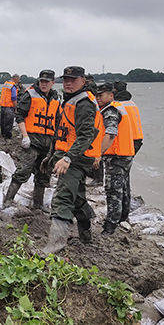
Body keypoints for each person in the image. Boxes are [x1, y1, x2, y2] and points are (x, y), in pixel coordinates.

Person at [41, 66, 103, 256]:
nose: (68, 83)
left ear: (83, 81)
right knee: (77, 199)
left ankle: (55, 246)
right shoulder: (71, 100)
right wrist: (52, 155)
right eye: (65, 79)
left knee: (62, 199)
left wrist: (67, 158)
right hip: (70, 156)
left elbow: (86, 136)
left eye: (73, 80)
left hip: (77, 159)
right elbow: (62, 131)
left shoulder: (84, 103)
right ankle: (86, 234)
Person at [3, 70, 59, 212]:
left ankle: (38, 206)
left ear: (53, 83)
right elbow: (20, 115)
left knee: (43, 174)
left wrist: (56, 143)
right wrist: (25, 136)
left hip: (48, 142)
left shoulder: (56, 98)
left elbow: (57, 120)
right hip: (32, 140)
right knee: (24, 171)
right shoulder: (30, 94)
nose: (44, 84)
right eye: (42, 81)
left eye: (47, 82)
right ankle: (8, 200)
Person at [94, 83, 135, 235]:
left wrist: (99, 153)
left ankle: (110, 226)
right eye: (97, 95)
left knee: (113, 191)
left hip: (116, 156)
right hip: (126, 153)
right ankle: (123, 218)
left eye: (101, 95)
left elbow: (111, 134)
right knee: (124, 188)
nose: (98, 98)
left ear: (111, 95)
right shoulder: (118, 107)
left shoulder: (111, 111)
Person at [0, 74, 19, 138]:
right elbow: (14, 98)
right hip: (9, 106)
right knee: (9, 122)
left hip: (3, 105)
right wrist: (15, 108)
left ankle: (3, 134)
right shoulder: (13, 86)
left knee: (3, 121)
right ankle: (7, 136)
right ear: (15, 78)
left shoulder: (6, 83)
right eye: (18, 79)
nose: (18, 81)